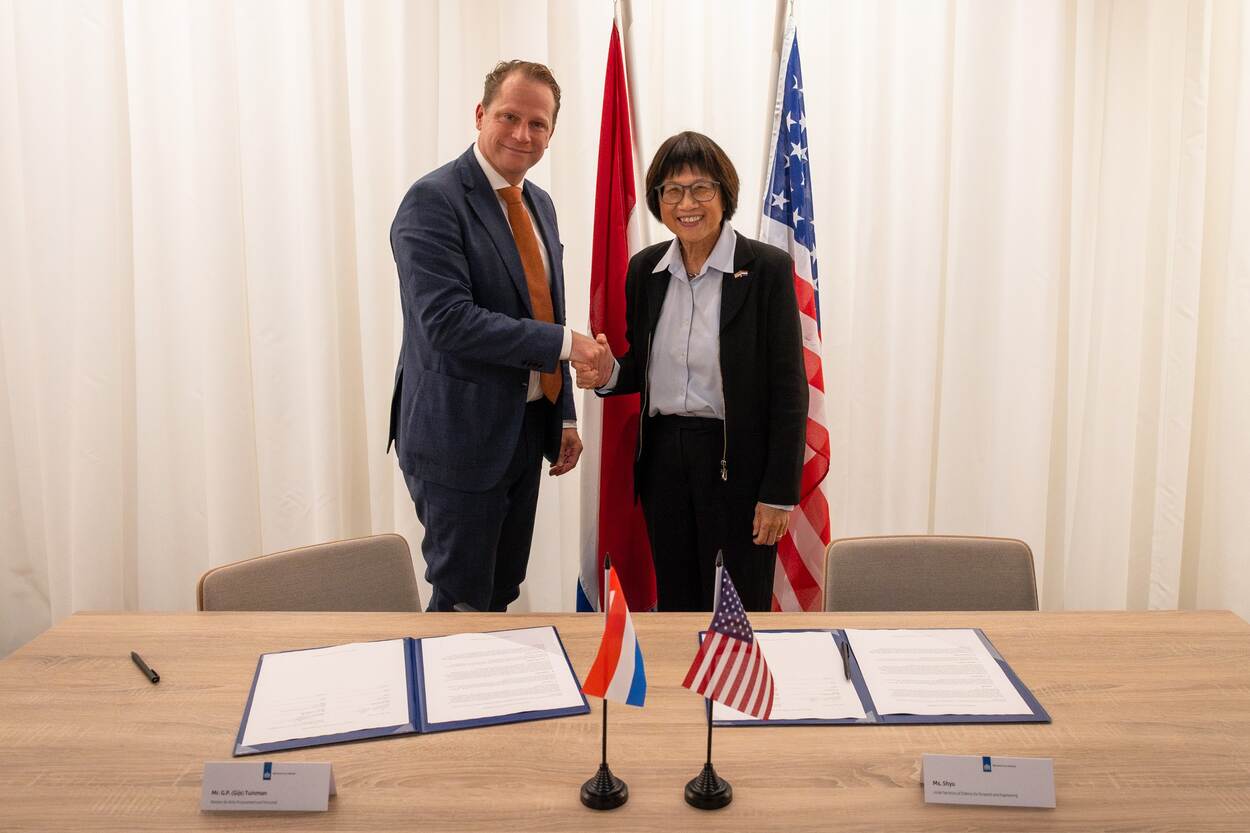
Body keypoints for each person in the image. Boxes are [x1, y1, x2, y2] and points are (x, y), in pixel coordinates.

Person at [388, 60, 612, 612]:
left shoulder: (539, 203)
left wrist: (563, 415)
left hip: (524, 432)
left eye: (538, 124)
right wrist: (569, 344)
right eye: (509, 116)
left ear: (551, 134)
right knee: (462, 600)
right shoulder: (433, 200)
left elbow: (545, 306)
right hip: (457, 439)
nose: (522, 134)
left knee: (500, 591)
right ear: (480, 114)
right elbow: (447, 322)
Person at [575, 131, 807, 612]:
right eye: (672, 191)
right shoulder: (645, 270)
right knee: (677, 605)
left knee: (735, 609)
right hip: (664, 460)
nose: (687, 204)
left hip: (737, 463)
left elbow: (788, 389)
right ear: (657, 199)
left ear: (724, 193)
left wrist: (779, 494)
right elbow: (643, 366)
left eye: (701, 188)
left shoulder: (766, 269)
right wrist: (608, 373)